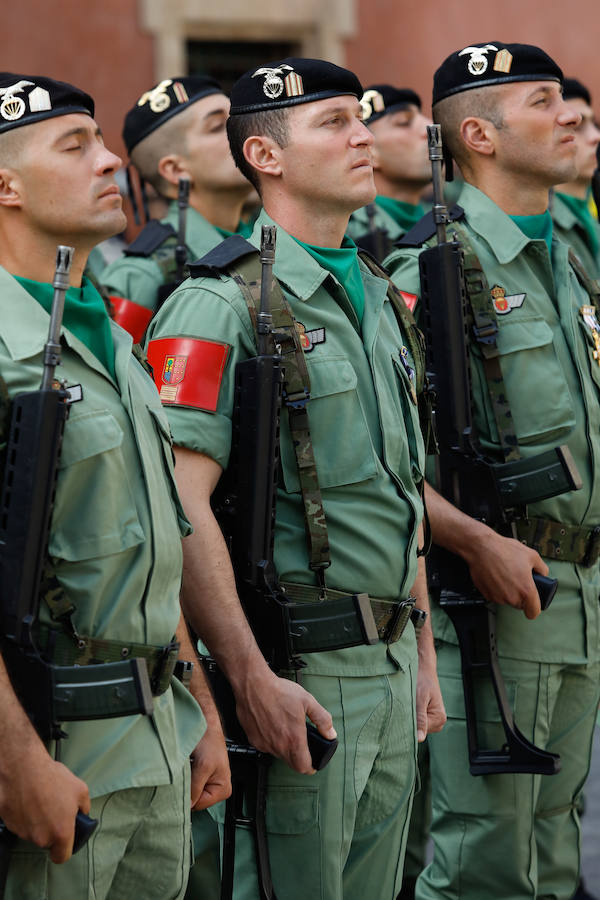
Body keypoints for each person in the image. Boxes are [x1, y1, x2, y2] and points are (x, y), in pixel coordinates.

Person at [145, 57, 446, 900]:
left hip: (387, 668)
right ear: (265, 157)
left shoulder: (379, 294)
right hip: (298, 671)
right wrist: (243, 679)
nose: (362, 134)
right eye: (333, 123)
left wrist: (421, 649)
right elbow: (179, 507)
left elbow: (397, 485)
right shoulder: (221, 303)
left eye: (361, 117)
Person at [0, 72, 229, 899]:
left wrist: (196, 711)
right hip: (59, 750)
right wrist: (17, 764)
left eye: (102, 142)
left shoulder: (109, 337)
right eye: (75, 146)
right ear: (6, 185)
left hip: (156, 736)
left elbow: (151, 549)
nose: (107, 163)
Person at [386, 42, 600, 900]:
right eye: (545, 103)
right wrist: (476, 541)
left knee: (554, 850)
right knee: (484, 861)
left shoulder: (570, 256)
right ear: (479, 133)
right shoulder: (431, 267)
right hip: (495, 601)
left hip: (576, 590)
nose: (572, 116)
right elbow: (384, 460)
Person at [100, 75, 253, 331]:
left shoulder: (273, 239)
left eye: (238, 118)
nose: (246, 131)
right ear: (175, 169)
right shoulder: (141, 277)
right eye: (218, 126)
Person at [346, 85, 431, 263]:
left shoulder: (444, 219)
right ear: (368, 149)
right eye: (403, 122)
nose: (428, 128)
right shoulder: (345, 231)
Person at [551, 77, 600, 279]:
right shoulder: (543, 226)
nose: (596, 136)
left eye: (595, 124)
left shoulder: (591, 209)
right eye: (577, 127)